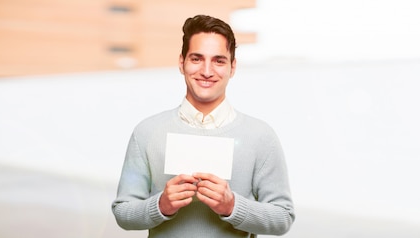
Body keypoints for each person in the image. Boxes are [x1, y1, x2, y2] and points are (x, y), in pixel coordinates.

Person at [111, 15, 295, 237]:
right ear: (182, 63)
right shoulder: (147, 132)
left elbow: (282, 218)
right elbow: (122, 212)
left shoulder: (260, 137)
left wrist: (232, 206)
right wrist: (161, 205)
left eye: (218, 60)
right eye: (197, 59)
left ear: (233, 67)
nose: (207, 71)